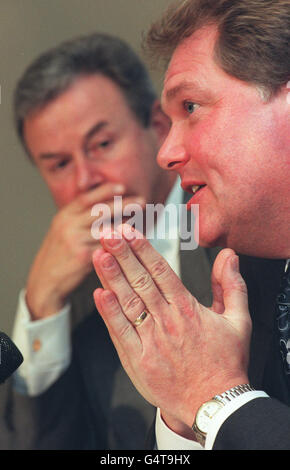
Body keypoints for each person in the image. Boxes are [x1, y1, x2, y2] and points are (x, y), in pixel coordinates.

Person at [0, 32, 219, 449]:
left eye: (102, 144)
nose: (86, 180)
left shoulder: (234, 227)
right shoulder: (76, 290)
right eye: (60, 164)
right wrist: (42, 303)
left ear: (157, 127)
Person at [92, 0, 290, 450]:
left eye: (192, 106)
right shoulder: (245, 284)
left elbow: (223, 402)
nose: (167, 152)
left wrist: (213, 396)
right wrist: (183, 414)